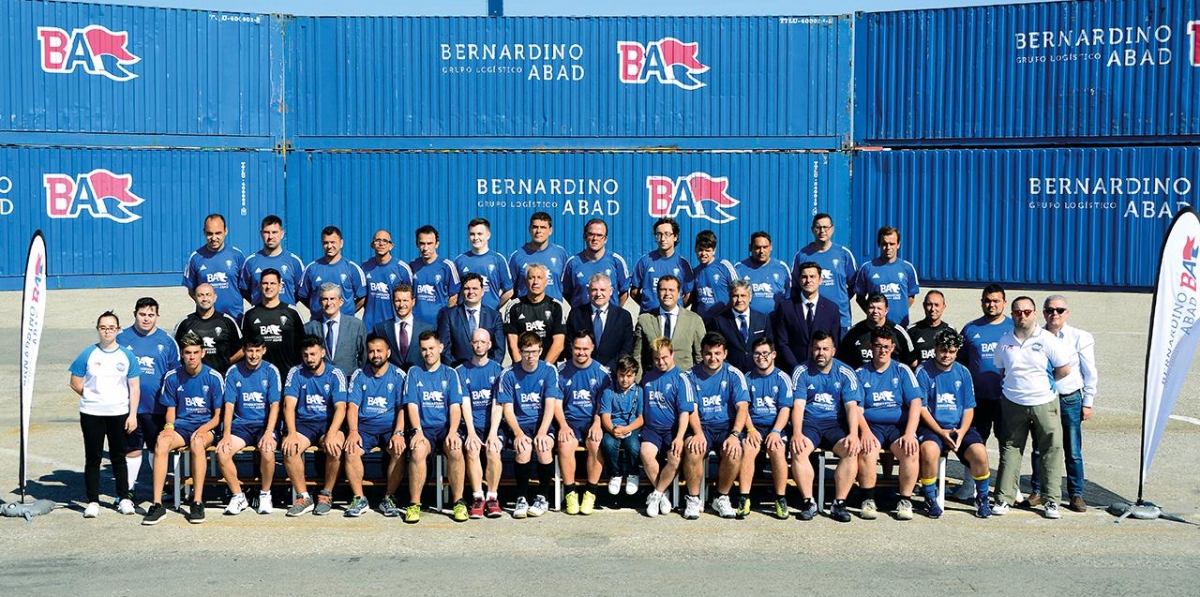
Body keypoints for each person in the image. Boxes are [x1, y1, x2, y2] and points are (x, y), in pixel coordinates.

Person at [991, 296, 1072, 519]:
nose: (1022, 316)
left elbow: (1064, 369)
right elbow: (1003, 370)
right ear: (1012, 315)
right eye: (1018, 312)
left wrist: (1044, 385)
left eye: (1027, 312)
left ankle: (1052, 500)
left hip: (1044, 402)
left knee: (1051, 450)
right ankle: (1003, 498)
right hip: (1013, 403)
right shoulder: (1004, 341)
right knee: (1010, 449)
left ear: (1035, 314)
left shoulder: (1047, 340)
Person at [140, 333, 224, 525]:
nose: (191, 357)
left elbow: (218, 416)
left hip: (206, 426)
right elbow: (171, 410)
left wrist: (203, 429)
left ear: (203, 353)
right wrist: (169, 427)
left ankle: (197, 502)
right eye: (187, 353)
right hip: (182, 426)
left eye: (195, 352)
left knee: (197, 443)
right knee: (161, 443)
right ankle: (157, 504)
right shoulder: (172, 377)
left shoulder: (213, 377)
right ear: (182, 355)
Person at [1029, 294, 1098, 513]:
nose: (1054, 314)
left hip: (1069, 399)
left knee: (1073, 449)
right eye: (1050, 310)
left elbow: (1090, 371)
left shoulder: (1080, 337)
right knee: (1040, 448)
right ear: (1043, 313)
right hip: (1042, 399)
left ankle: (1076, 494)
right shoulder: (1034, 336)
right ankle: (1038, 490)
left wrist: (1088, 402)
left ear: (1067, 313)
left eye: (1059, 310)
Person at [915, 329, 992, 519]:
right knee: (929, 450)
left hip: (958, 428)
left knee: (979, 452)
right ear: (935, 348)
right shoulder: (923, 371)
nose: (946, 355)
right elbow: (921, 408)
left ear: (957, 351)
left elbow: (968, 408)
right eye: (943, 350)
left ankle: (982, 497)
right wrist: (941, 432)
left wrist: (961, 433)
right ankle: (930, 497)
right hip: (932, 428)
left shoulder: (963, 372)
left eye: (951, 351)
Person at [70, 311, 140, 519]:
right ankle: (92, 501)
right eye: (103, 328)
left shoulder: (126, 356)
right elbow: (75, 381)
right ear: (98, 330)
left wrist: (132, 415)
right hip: (92, 413)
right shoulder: (88, 354)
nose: (107, 331)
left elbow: (134, 387)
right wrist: (92, 396)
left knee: (119, 456)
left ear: (118, 330)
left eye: (111, 328)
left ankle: (124, 498)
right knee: (93, 458)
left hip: (119, 413)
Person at [791, 331, 863, 523]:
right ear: (811, 349)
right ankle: (809, 502)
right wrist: (796, 433)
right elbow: (798, 405)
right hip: (810, 424)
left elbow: (851, 407)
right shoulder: (801, 371)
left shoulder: (846, 372)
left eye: (825, 349)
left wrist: (853, 434)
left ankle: (839, 503)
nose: (821, 353)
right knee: (798, 450)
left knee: (851, 450)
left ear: (833, 351)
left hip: (835, 424)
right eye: (817, 348)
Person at [854, 327, 923, 521]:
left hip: (897, 427)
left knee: (910, 450)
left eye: (886, 347)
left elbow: (916, 403)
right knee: (867, 449)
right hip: (872, 426)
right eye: (878, 346)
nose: (882, 351)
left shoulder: (902, 370)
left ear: (892, 347)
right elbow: (855, 407)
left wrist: (909, 433)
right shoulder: (860, 373)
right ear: (871, 347)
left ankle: (905, 501)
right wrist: (865, 432)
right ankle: (868, 500)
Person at [116, 298, 179, 506]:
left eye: (151, 315)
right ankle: (128, 490)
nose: (146, 319)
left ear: (157, 316)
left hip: (157, 408)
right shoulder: (121, 338)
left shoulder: (167, 341)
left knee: (156, 448)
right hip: (129, 409)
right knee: (132, 449)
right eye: (142, 314)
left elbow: (175, 375)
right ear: (134, 314)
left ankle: (162, 486)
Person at [402, 331, 469, 523]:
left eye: (431, 348)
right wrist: (417, 431)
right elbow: (412, 405)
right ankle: (414, 504)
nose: (428, 353)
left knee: (455, 449)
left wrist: (453, 432)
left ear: (440, 348)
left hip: (445, 428)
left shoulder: (450, 373)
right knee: (418, 450)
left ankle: (458, 502)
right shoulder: (414, 373)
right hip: (424, 429)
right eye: (424, 349)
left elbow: (455, 407)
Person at [684, 333, 751, 520]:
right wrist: (698, 433)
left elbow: (742, 407)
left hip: (726, 426)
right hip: (701, 425)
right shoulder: (689, 376)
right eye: (708, 353)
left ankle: (721, 497)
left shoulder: (734, 374)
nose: (713, 358)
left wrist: (735, 435)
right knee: (693, 449)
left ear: (725, 354)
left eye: (717, 353)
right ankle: (693, 499)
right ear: (702, 353)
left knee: (734, 451)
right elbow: (691, 409)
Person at [280, 336, 348, 518]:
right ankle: (303, 497)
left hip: (328, 423)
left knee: (335, 447)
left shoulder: (336, 373)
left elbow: (341, 408)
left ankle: (326, 494)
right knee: (289, 448)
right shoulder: (296, 372)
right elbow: (288, 406)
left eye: (313, 354)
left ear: (322, 353)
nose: (309, 359)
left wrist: (332, 433)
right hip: (304, 423)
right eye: (306, 355)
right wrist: (291, 433)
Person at [496, 332, 562, 518]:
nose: (530, 356)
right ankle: (522, 498)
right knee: (523, 448)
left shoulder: (549, 371)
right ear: (520, 351)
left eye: (534, 352)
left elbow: (550, 405)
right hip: (520, 424)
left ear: (540, 350)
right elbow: (507, 409)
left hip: (542, 423)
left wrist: (542, 432)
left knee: (544, 446)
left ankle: (543, 497)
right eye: (526, 352)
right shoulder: (508, 374)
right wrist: (518, 433)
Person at [215, 335, 282, 516]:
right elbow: (229, 406)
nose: (253, 355)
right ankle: (238, 496)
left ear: (264, 351)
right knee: (222, 452)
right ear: (244, 351)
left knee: (267, 450)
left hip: (263, 425)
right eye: (250, 351)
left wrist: (269, 432)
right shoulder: (233, 371)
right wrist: (226, 434)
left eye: (257, 351)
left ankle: (265, 494)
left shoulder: (271, 371)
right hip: (241, 426)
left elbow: (275, 405)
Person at [343, 335, 408, 518]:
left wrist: (399, 433)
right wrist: (353, 431)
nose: (375, 355)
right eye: (371, 351)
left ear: (388, 352)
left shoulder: (398, 375)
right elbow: (352, 406)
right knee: (351, 449)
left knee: (399, 450)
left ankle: (388, 498)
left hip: (390, 427)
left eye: (379, 351)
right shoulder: (359, 375)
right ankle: (359, 498)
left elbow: (402, 408)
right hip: (365, 427)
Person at [639, 337, 696, 518]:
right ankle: (662, 495)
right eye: (656, 358)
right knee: (646, 452)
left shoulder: (682, 379)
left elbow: (685, 413)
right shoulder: (647, 378)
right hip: (652, 430)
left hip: (673, 430)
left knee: (675, 458)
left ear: (672, 354)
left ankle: (656, 494)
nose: (661, 362)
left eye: (664, 357)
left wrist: (679, 437)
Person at [555, 331, 609, 515]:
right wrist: (563, 425)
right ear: (571, 347)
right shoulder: (560, 372)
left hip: (592, 421)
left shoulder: (602, 373)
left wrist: (597, 423)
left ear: (592, 348)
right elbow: (556, 403)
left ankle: (590, 493)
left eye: (585, 348)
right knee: (564, 443)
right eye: (577, 348)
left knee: (596, 443)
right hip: (569, 422)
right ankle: (570, 493)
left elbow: (603, 404)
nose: (581, 352)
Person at [740, 338, 793, 520]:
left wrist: (776, 432)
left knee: (777, 450)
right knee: (748, 449)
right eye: (757, 354)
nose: (761, 357)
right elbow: (743, 408)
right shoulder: (747, 378)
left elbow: (785, 409)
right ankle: (744, 497)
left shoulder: (783, 378)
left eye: (765, 353)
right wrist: (750, 430)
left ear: (773, 354)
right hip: (754, 426)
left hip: (775, 426)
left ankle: (780, 497)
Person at [456, 328, 506, 519]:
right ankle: (478, 497)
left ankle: (492, 498)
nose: (479, 345)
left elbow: (498, 404)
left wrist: (493, 433)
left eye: (483, 342)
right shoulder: (461, 371)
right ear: (471, 344)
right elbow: (465, 404)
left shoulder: (498, 370)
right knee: (472, 449)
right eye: (476, 342)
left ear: (489, 344)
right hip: (471, 425)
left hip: (493, 425)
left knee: (493, 449)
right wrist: (471, 432)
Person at [958, 284, 1013, 445]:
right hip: (978, 399)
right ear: (982, 302)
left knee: (1008, 443)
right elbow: (960, 362)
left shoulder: (1014, 328)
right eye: (987, 301)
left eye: (996, 301)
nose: (991, 305)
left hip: (1006, 398)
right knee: (976, 442)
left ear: (1004, 302)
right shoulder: (970, 329)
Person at [793, 213, 857, 336]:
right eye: (818, 227)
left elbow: (854, 284)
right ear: (813, 230)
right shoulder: (802, 255)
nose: (822, 231)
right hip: (811, 318)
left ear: (832, 229)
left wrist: (840, 300)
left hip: (841, 319)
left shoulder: (844, 254)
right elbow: (795, 286)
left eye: (826, 227)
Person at [773, 261, 841, 373]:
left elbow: (835, 343)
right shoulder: (786, 307)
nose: (808, 280)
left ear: (820, 280)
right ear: (799, 280)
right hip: (792, 370)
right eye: (804, 277)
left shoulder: (832, 309)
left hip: (821, 371)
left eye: (812, 276)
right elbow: (782, 342)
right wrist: (796, 368)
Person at [633, 275, 705, 373]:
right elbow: (637, 356)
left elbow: (700, 356)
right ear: (657, 293)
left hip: (683, 378)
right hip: (653, 379)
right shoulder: (645, 320)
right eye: (663, 290)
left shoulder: (694, 320)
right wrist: (638, 380)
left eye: (671, 290)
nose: (667, 293)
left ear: (679, 294)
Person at [183, 213, 246, 320]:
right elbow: (191, 290)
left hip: (234, 319)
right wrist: (205, 306)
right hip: (206, 320)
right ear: (204, 232)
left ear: (226, 231)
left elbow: (245, 288)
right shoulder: (195, 258)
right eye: (209, 233)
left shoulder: (237, 255)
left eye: (218, 233)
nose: (213, 238)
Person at [565, 273, 633, 370]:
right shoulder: (576, 314)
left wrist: (608, 369)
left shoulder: (623, 317)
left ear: (610, 291)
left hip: (613, 372)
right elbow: (569, 344)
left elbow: (626, 348)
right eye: (594, 290)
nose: (598, 294)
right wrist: (585, 365)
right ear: (588, 291)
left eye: (602, 290)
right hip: (582, 370)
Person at [241, 268, 304, 374]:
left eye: (273, 283)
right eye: (265, 283)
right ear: (260, 286)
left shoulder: (292, 312)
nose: (268, 287)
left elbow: (302, 344)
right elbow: (244, 347)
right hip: (259, 375)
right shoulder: (250, 314)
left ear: (280, 286)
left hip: (287, 375)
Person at [854, 226, 919, 327]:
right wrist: (873, 315)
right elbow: (860, 297)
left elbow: (911, 297)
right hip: (876, 326)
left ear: (898, 244)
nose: (888, 247)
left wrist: (899, 311)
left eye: (892, 244)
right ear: (879, 244)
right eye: (884, 244)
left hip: (900, 326)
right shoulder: (867, 268)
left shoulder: (907, 268)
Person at [297, 225, 367, 321]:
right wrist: (316, 310)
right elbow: (303, 296)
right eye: (326, 243)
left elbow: (362, 297)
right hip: (319, 323)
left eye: (333, 242)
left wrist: (347, 313)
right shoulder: (311, 268)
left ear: (341, 243)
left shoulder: (352, 268)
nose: (329, 246)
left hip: (345, 324)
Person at [599, 355, 644, 500]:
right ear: (616, 374)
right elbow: (605, 415)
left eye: (629, 376)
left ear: (635, 375)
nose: (625, 380)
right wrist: (612, 430)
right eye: (621, 375)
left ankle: (633, 473)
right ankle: (615, 474)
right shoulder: (608, 391)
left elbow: (641, 418)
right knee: (608, 443)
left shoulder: (639, 391)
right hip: (613, 426)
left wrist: (627, 429)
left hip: (632, 426)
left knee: (633, 445)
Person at [437, 272, 505, 367]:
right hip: (457, 370)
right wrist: (455, 369)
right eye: (467, 288)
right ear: (461, 291)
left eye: (475, 288)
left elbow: (499, 350)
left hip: (487, 371)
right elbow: (444, 347)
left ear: (482, 291)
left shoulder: (494, 316)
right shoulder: (449, 315)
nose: (471, 292)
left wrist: (489, 369)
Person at [504, 263, 567, 363]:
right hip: (521, 367)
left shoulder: (556, 306)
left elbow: (558, 344)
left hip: (547, 367)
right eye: (531, 278)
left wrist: (544, 368)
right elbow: (513, 345)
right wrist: (522, 368)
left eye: (539, 278)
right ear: (525, 281)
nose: (535, 282)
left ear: (546, 282)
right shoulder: (514, 306)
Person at [705, 279, 772, 373]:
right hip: (729, 373)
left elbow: (769, 347)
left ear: (750, 297)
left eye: (743, 295)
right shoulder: (718, 321)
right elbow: (715, 349)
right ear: (730, 297)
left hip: (757, 372)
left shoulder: (763, 319)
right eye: (735, 296)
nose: (739, 300)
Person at [562, 218, 631, 308]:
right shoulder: (573, 263)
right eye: (591, 234)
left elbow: (624, 292)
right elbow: (566, 292)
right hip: (581, 316)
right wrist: (578, 310)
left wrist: (615, 312)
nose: (595, 238)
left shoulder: (617, 261)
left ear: (605, 239)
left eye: (599, 235)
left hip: (609, 316)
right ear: (584, 236)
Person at [174, 283, 242, 373]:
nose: (205, 299)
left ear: (215, 297)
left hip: (221, 376)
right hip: (192, 377)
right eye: (200, 295)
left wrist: (225, 364)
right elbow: (174, 351)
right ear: (194, 298)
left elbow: (241, 350)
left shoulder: (227, 321)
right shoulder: (184, 323)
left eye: (208, 295)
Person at [838, 292, 915, 370]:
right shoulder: (854, 333)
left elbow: (912, 363)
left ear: (886, 310)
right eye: (872, 307)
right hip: (861, 377)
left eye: (879, 308)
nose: (875, 311)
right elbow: (842, 362)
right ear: (866, 308)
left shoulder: (898, 332)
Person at [303, 283, 367, 377]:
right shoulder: (309, 328)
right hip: (320, 379)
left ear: (340, 302)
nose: (329, 303)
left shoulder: (356, 326)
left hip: (348, 378)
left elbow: (364, 356)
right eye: (325, 299)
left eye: (332, 299)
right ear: (320, 302)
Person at [631, 217, 694, 313]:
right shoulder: (645, 261)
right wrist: (648, 306)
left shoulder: (683, 264)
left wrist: (673, 309)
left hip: (674, 318)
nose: (663, 238)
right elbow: (634, 292)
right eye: (659, 234)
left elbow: (689, 296)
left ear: (675, 237)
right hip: (650, 317)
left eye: (667, 234)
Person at [241, 214, 305, 307]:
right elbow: (244, 290)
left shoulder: (294, 261)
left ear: (282, 234)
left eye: (274, 232)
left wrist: (287, 305)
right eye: (267, 232)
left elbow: (301, 292)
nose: (270, 236)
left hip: (286, 314)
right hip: (260, 314)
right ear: (261, 234)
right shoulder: (250, 261)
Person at [454, 217, 515, 311]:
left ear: (488, 235)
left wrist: (494, 308)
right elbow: (454, 293)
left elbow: (509, 290)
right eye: (472, 234)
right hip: (464, 316)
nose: (475, 238)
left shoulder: (498, 259)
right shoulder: (460, 260)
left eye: (479, 234)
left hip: (490, 317)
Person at [361, 229, 415, 330]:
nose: (381, 244)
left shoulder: (402, 268)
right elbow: (361, 297)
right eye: (378, 240)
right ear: (372, 245)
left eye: (385, 241)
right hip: (369, 326)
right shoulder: (364, 267)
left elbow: (410, 299)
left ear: (391, 246)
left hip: (393, 326)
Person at [509, 211, 569, 301]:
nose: (538, 231)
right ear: (529, 229)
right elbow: (509, 290)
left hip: (553, 308)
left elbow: (568, 287)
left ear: (550, 230)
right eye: (535, 227)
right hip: (525, 308)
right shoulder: (517, 256)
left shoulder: (560, 253)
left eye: (543, 227)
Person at [373, 284, 435, 371]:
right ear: (393, 302)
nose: (402, 304)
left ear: (413, 302)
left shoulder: (427, 329)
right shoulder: (380, 329)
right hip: (391, 377)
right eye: (398, 301)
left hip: (419, 376)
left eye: (405, 300)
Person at [410, 225, 460, 327]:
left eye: (429, 243)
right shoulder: (412, 266)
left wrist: (446, 319)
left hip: (439, 324)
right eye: (422, 243)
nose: (425, 248)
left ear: (437, 244)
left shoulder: (447, 266)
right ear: (417, 244)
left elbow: (454, 296)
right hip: (416, 325)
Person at [734, 231, 791, 317]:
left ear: (771, 247)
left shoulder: (782, 267)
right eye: (757, 247)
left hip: (777, 320)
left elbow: (789, 295)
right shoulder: (739, 268)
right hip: (750, 321)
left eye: (765, 247)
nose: (761, 251)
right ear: (750, 248)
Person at [690, 230, 737, 320]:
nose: (703, 253)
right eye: (700, 250)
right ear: (695, 249)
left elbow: (739, 290)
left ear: (714, 250)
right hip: (703, 322)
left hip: (723, 320)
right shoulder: (695, 272)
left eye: (707, 250)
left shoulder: (724, 266)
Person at [908, 290, 954, 365]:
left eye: (936, 305)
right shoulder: (911, 331)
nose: (933, 309)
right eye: (929, 304)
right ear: (924, 306)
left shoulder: (950, 331)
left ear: (943, 307)